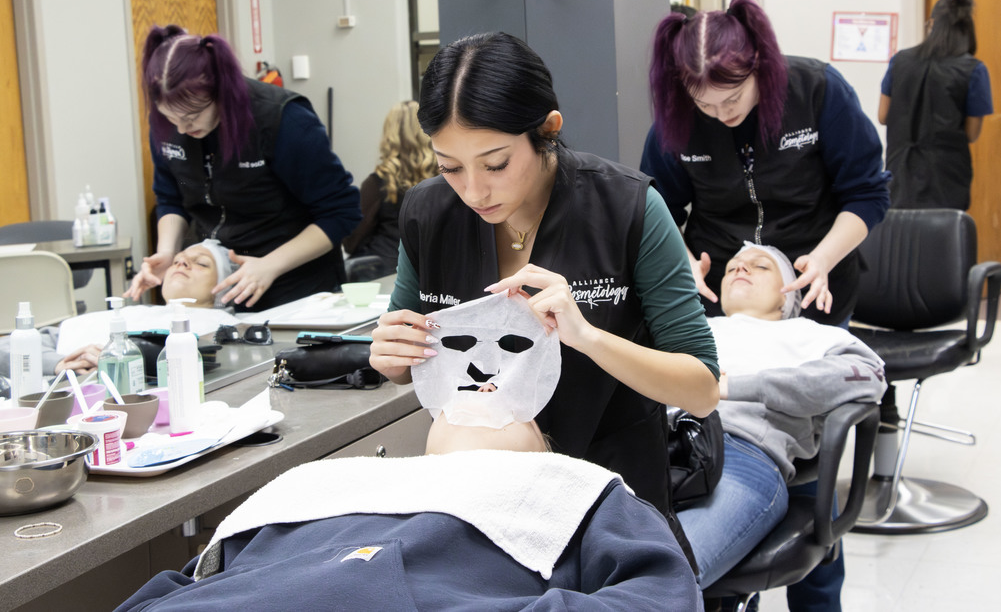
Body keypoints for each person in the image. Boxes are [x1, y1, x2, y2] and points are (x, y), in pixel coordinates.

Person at [369, 32, 720, 526]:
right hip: (481, 507)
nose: (473, 191)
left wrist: (589, 337)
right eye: (449, 167)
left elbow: (702, 390)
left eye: (496, 164)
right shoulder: (427, 215)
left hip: (614, 503)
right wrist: (392, 356)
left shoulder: (627, 209)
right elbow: (408, 358)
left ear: (548, 130)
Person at [114, 412, 703, 611]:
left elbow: (664, 596)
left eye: (511, 403)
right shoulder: (315, 482)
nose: (483, 383)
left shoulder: (570, 489)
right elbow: (180, 585)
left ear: (542, 449)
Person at [641, 0, 891, 326]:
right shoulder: (677, 118)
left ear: (758, 63)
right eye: (705, 105)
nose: (721, 114)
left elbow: (867, 193)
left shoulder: (817, 91)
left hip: (814, 278)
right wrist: (683, 262)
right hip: (721, 290)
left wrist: (822, 259)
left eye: (732, 98)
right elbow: (657, 208)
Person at [676, 243, 885, 607]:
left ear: (788, 296)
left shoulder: (811, 335)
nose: (741, 269)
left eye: (760, 266)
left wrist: (734, 387)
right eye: (732, 267)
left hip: (741, 455)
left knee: (663, 573)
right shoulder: (690, 328)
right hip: (654, 446)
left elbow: (868, 377)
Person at [125, 25, 361, 311]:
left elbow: (340, 212)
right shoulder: (169, 122)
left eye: (192, 115)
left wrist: (269, 266)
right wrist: (166, 252)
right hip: (226, 291)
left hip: (297, 290)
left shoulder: (283, 120)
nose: (182, 128)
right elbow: (171, 198)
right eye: (170, 117)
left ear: (222, 91)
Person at [0, 240, 238, 377]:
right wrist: (59, 363)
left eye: (201, 263)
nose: (182, 263)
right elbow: (9, 347)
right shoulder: (127, 314)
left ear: (225, 286)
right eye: (176, 261)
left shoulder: (229, 327)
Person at [879, 0, 993, 210]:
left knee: (901, 229)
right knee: (944, 229)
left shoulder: (900, 61)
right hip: (946, 175)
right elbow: (971, 133)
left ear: (931, 24)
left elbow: (883, 116)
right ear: (967, 29)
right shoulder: (973, 70)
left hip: (900, 168)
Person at [342, 100, 438, 274]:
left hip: (385, 271)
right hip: (434, 268)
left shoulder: (377, 183)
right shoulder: (446, 179)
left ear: (389, 135)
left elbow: (352, 241)